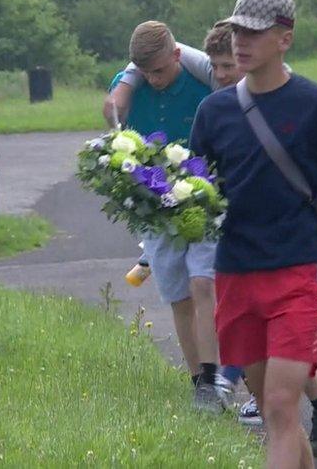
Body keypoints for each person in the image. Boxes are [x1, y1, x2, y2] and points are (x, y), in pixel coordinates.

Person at [115, 24, 317, 457]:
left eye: (230, 66)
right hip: (233, 240)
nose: (223, 74)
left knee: (273, 378)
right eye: (220, 67)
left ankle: (289, 401)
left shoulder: (283, 103)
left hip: (287, 252)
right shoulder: (217, 108)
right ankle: (316, 405)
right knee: (267, 374)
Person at [190, 0, 317, 468]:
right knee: (282, 418)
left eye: (254, 32)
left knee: (277, 405)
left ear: (285, 39)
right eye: (237, 30)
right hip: (235, 272)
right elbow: (191, 188)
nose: (241, 41)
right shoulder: (212, 113)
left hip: (298, 272)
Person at [102, 21, 224, 413]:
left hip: (204, 197)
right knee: (178, 294)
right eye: (146, 72)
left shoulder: (201, 79)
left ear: (176, 55)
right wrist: (126, 82)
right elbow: (112, 112)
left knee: (204, 283)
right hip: (156, 206)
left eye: (160, 70)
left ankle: (212, 375)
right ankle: (198, 383)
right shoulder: (133, 86)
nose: (154, 79)